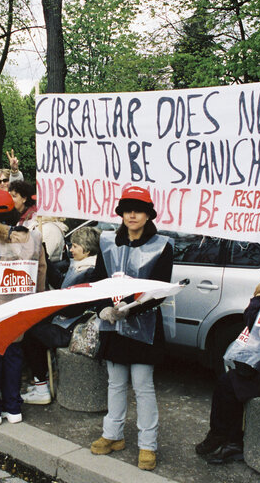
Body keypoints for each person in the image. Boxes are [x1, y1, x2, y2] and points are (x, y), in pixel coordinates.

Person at [88, 186, 174, 471]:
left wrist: (130, 309)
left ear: (149, 214)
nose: (132, 215)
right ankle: (112, 435)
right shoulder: (108, 242)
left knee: (142, 385)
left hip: (143, 326)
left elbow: (160, 289)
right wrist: (103, 306)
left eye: (138, 209)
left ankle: (148, 444)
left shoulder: (162, 245)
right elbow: (99, 280)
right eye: (127, 209)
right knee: (114, 382)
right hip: (112, 324)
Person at [195, 245, 260, 464]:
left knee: (229, 386)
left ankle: (229, 440)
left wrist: (259, 296)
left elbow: (257, 325)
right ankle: (224, 437)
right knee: (227, 382)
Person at [0, 189, 47, 426]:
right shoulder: (34, 237)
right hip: (19, 310)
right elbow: (41, 272)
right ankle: (13, 407)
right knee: (14, 356)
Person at [22, 226, 101, 405]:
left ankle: (41, 386)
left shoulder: (90, 272)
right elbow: (60, 283)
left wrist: (48, 305)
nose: (71, 250)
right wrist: (44, 255)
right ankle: (40, 380)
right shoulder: (81, 267)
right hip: (67, 323)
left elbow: (70, 308)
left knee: (31, 333)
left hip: (71, 329)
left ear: (87, 249)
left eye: (75, 246)